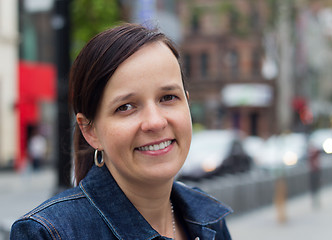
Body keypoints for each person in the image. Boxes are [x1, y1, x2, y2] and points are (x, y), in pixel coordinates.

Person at [10, 23, 233, 239]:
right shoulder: (48, 234)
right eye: (125, 107)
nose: (155, 122)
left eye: (168, 97)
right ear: (90, 131)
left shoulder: (209, 220)